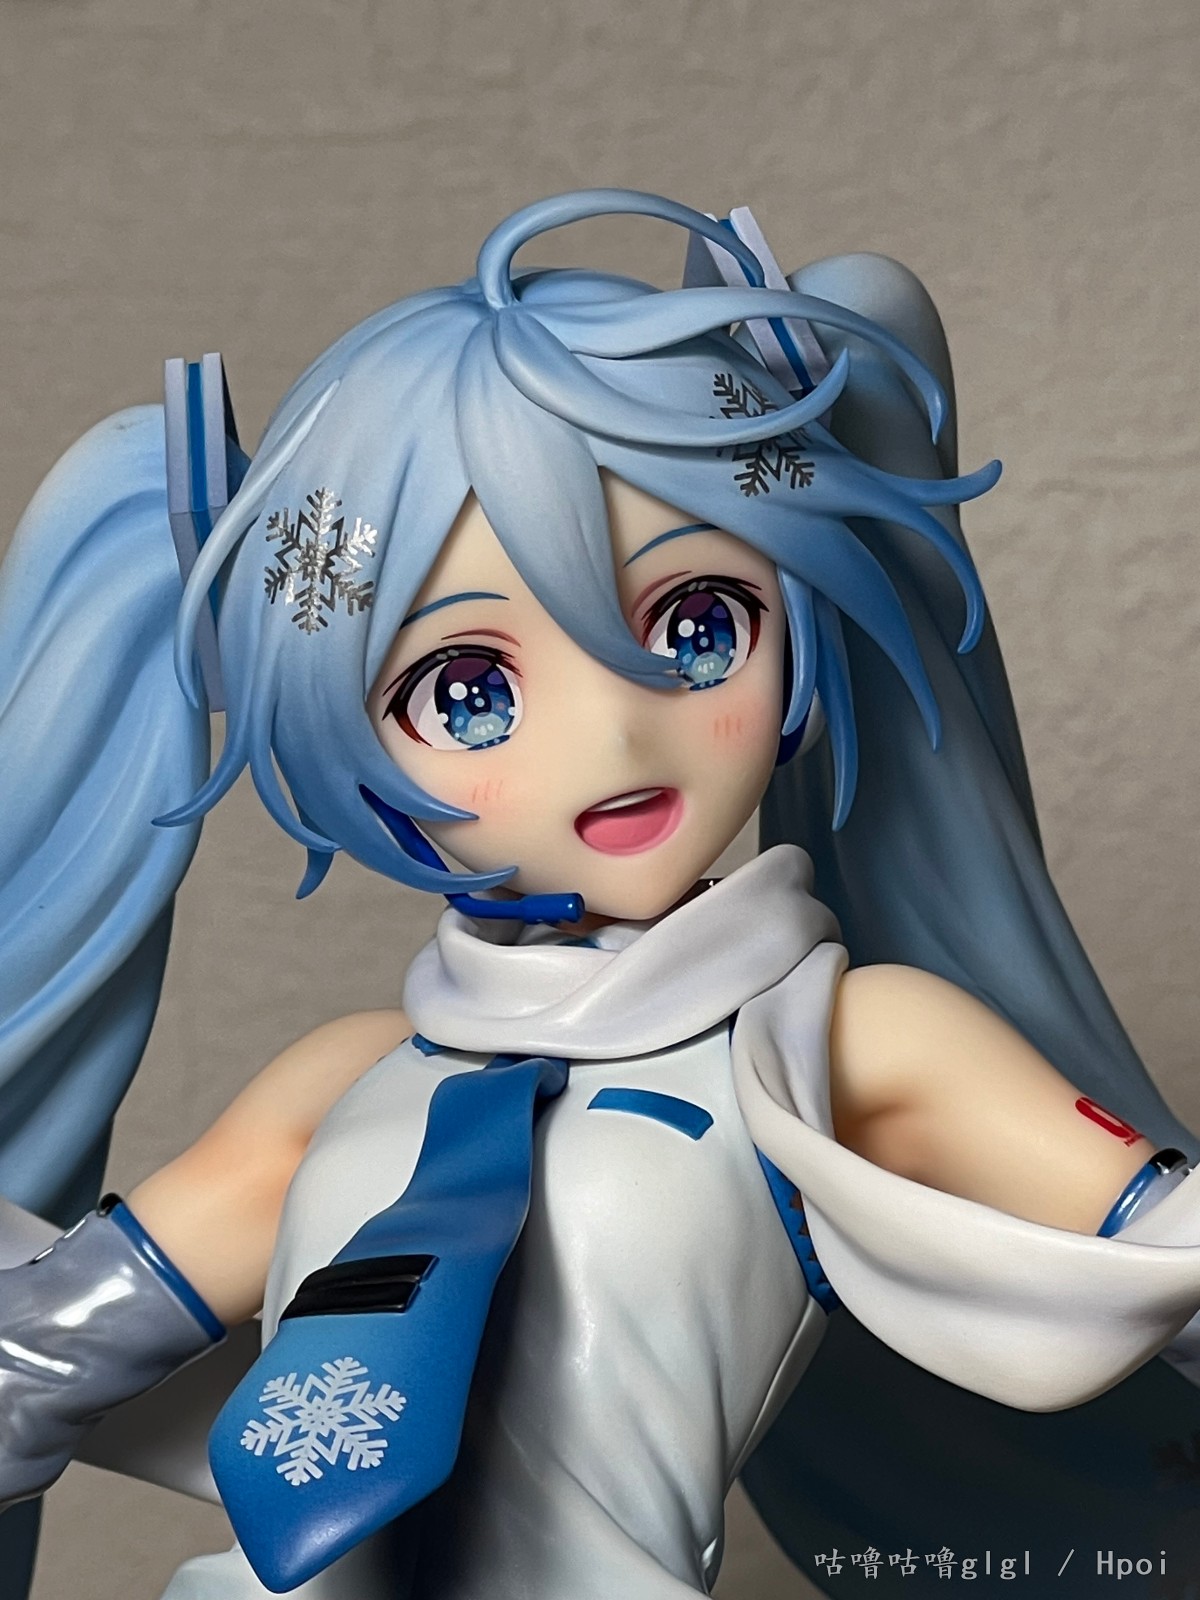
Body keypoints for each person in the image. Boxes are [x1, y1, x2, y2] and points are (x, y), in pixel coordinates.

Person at [2, 189, 1199, 1599]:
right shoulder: (341, 1086)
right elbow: (34, 1365)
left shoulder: (847, 1049)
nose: (620, 741)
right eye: (469, 691)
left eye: (697, 629)